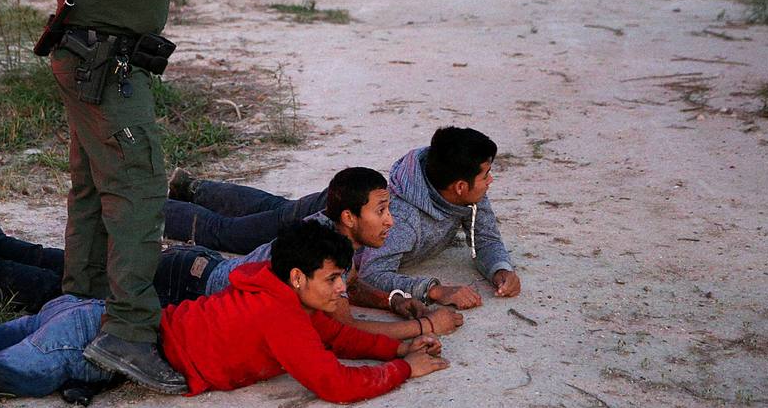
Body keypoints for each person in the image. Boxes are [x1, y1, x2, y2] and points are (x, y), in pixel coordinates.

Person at [0, 222, 449, 408]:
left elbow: (336, 336)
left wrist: (400, 336)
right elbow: (330, 380)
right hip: (95, 346)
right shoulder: (286, 320)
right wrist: (401, 368)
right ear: (299, 278)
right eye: (335, 279)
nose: (344, 289)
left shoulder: (268, 286)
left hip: (99, 318)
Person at [44, 0, 259, 393]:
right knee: (137, 191)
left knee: (93, 188)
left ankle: (80, 307)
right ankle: (130, 335)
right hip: (103, 68)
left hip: (105, 62)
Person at [0, 168, 464, 342]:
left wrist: (394, 299)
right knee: (64, 295)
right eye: (383, 211)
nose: (392, 221)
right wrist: (421, 326)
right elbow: (338, 321)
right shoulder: (328, 250)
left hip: (196, 271)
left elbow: (348, 292)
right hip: (192, 285)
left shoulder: (337, 247)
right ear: (348, 219)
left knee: (82, 278)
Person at [164, 126, 521, 305]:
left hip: (348, 207)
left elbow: (484, 236)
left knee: (271, 208)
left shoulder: (462, 191)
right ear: (459, 186)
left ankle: (192, 189)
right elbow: (374, 272)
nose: (490, 180)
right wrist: (432, 289)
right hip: (330, 218)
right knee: (228, 233)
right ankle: (146, 207)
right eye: (485, 174)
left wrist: (499, 268)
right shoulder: (402, 222)